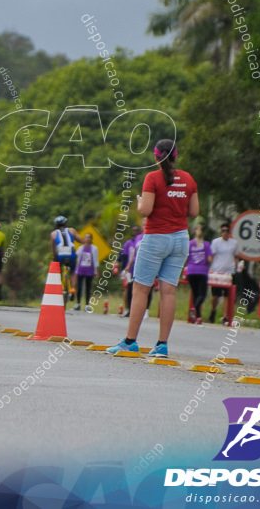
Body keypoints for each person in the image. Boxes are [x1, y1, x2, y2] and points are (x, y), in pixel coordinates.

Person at [107, 139, 198, 357]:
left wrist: (139, 202)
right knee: (168, 291)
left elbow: (146, 210)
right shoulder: (187, 179)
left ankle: (130, 341)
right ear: (175, 155)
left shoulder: (152, 178)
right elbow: (194, 212)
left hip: (156, 237)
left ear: (155, 157)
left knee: (141, 289)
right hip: (180, 239)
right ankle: (162, 345)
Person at [207, 221, 240, 325]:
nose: (225, 233)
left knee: (227, 295)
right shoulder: (216, 242)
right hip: (217, 271)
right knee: (215, 295)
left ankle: (225, 316)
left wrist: (237, 267)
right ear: (221, 232)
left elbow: (236, 257)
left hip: (229, 271)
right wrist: (209, 267)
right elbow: (211, 256)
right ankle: (213, 310)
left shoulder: (234, 243)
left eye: (227, 231)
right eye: (223, 231)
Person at [50, 216, 83, 304]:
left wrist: (54, 258)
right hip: (71, 253)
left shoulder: (53, 233)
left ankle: (59, 287)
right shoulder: (72, 230)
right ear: (66, 224)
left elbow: (53, 249)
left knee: (58, 270)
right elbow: (80, 240)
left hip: (60, 254)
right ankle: (72, 288)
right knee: (73, 271)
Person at [185, 224, 213, 324]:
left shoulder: (190, 244)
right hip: (202, 271)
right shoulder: (206, 245)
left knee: (195, 293)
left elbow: (186, 258)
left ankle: (198, 317)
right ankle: (195, 308)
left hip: (191, 271)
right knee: (202, 294)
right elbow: (209, 259)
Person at [73, 232, 99, 311]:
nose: (87, 239)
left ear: (91, 239)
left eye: (89, 237)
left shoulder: (94, 249)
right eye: (86, 237)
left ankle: (87, 304)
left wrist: (97, 272)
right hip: (81, 269)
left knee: (88, 288)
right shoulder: (81, 248)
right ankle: (78, 303)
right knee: (79, 287)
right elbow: (77, 257)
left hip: (89, 270)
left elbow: (96, 260)